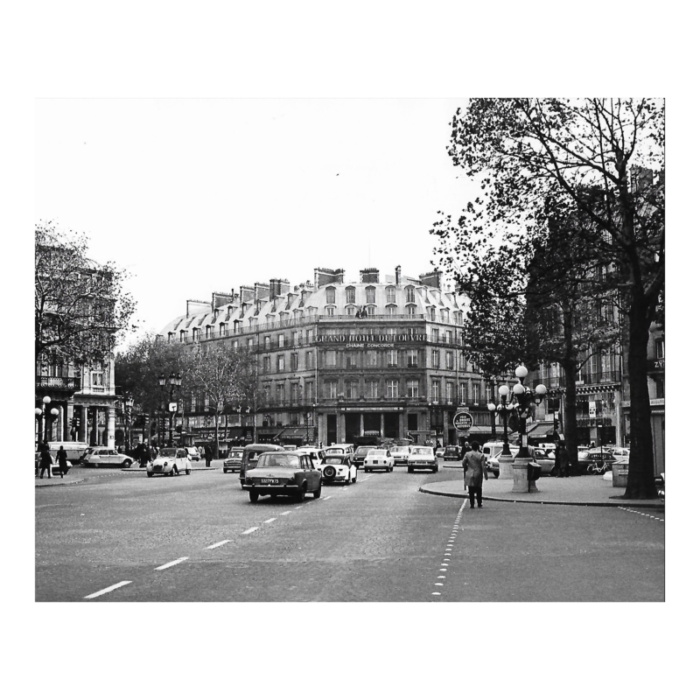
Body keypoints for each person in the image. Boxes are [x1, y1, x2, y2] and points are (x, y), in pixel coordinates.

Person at [462, 441, 489, 509]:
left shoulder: (467, 454)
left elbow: (463, 463)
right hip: (478, 473)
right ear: (478, 447)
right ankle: (479, 502)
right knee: (478, 488)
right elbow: (483, 466)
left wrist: (466, 467)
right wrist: (485, 475)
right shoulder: (481, 455)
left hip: (469, 472)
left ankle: (472, 504)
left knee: (470, 489)